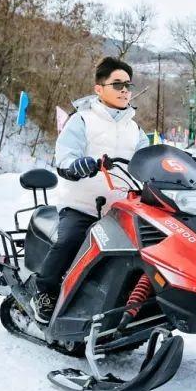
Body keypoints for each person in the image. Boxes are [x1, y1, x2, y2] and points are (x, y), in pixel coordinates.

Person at [31, 56, 150, 323]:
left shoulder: (135, 128)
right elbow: (64, 157)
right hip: (81, 205)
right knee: (70, 240)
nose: (124, 90)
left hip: (122, 209)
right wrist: (77, 165)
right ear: (99, 88)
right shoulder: (82, 120)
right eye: (117, 84)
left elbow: (148, 159)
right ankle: (44, 292)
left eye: (128, 85)